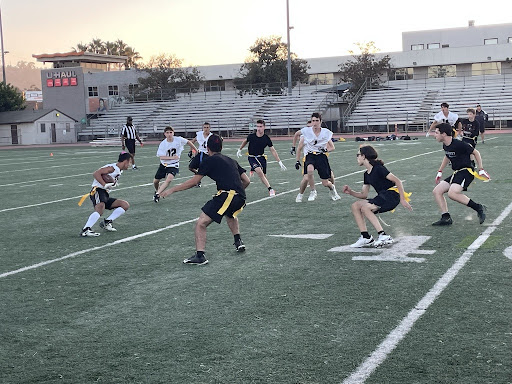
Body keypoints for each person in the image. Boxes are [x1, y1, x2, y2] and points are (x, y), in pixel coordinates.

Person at [160, 134, 250, 265]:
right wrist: (236, 192)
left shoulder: (209, 160)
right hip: (241, 196)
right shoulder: (231, 160)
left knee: (201, 223)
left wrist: (171, 190)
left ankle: (200, 255)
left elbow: (194, 181)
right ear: (221, 147)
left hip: (227, 195)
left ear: (207, 148)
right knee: (230, 214)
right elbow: (246, 181)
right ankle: (238, 241)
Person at [342, 145, 412, 248]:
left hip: (392, 195)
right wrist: (351, 192)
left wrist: (402, 199)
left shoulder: (379, 168)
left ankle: (383, 235)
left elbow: (397, 181)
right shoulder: (366, 174)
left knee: (366, 208)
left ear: (364, 156)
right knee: (355, 206)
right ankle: (366, 237)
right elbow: (364, 195)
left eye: (358, 155)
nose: (357, 158)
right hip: (383, 196)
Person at [431, 123, 490, 226]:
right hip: (457, 172)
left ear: (444, 134)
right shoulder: (446, 145)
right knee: (437, 191)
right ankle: (446, 217)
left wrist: (481, 169)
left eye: (436, 132)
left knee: (452, 193)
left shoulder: (459, 144)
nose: (434, 135)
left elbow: (476, 152)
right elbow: (447, 156)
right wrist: (440, 171)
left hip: (466, 171)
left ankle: (479, 207)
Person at [78, 152, 133, 237]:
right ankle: (86, 229)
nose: (130, 164)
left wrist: (112, 184)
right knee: (100, 209)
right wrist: (104, 184)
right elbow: (96, 173)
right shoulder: (112, 168)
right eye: (130, 162)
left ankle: (107, 222)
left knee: (124, 205)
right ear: (125, 161)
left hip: (104, 193)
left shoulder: (118, 170)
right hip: (98, 191)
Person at [295, 112, 340, 202]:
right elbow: (296, 134)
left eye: (317, 121)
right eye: (313, 121)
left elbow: (332, 147)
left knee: (325, 182)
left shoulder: (326, 132)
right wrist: (293, 146)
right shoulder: (307, 131)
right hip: (310, 155)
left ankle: (332, 188)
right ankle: (313, 191)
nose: (315, 123)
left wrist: (326, 150)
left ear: (320, 121)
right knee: (310, 171)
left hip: (321, 156)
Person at [236, 119, 286, 197]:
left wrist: (279, 162)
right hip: (252, 157)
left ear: (264, 127)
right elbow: (245, 141)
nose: (259, 128)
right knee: (259, 172)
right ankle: (270, 189)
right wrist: (240, 149)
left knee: (264, 176)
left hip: (261, 158)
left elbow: (272, 150)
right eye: (257, 126)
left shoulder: (266, 138)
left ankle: (253, 170)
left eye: (260, 126)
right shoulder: (252, 136)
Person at [153, 126, 197, 202]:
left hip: (174, 164)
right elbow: (161, 157)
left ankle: (157, 194)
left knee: (169, 179)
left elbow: (188, 142)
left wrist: (196, 149)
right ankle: (157, 191)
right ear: (164, 134)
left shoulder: (178, 139)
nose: (169, 134)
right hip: (164, 164)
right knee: (156, 181)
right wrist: (172, 158)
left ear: (173, 133)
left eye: (171, 132)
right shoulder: (163, 144)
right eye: (167, 133)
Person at [188, 122, 213, 187]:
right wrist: (191, 151)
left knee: (206, 170)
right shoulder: (199, 135)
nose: (206, 129)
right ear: (202, 128)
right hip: (199, 153)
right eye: (205, 127)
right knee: (191, 167)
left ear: (210, 128)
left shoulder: (211, 136)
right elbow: (192, 142)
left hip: (207, 154)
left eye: (207, 127)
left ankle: (197, 180)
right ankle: (198, 177)